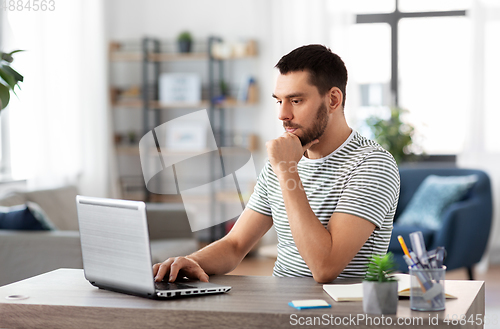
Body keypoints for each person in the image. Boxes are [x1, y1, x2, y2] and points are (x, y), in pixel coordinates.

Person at [153, 44, 400, 284]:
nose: (283, 114)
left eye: (296, 100)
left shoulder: (373, 165)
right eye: (279, 100)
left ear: (334, 99)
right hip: (281, 305)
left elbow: (325, 268)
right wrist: (188, 261)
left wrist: (287, 170)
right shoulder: (282, 160)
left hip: (341, 314)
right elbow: (236, 244)